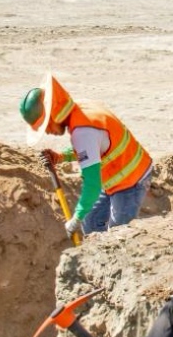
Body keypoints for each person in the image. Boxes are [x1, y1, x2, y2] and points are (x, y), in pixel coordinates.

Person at [20, 74, 153, 241]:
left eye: (46, 125)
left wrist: (76, 218)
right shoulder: (81, 108)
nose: (47, 131)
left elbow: (92, 185)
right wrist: (60, 157)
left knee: (118, 237)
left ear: (55, 113)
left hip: (132, 180)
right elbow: (92, 147)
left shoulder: (83, 132)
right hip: (115, 176)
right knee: (91, 221)